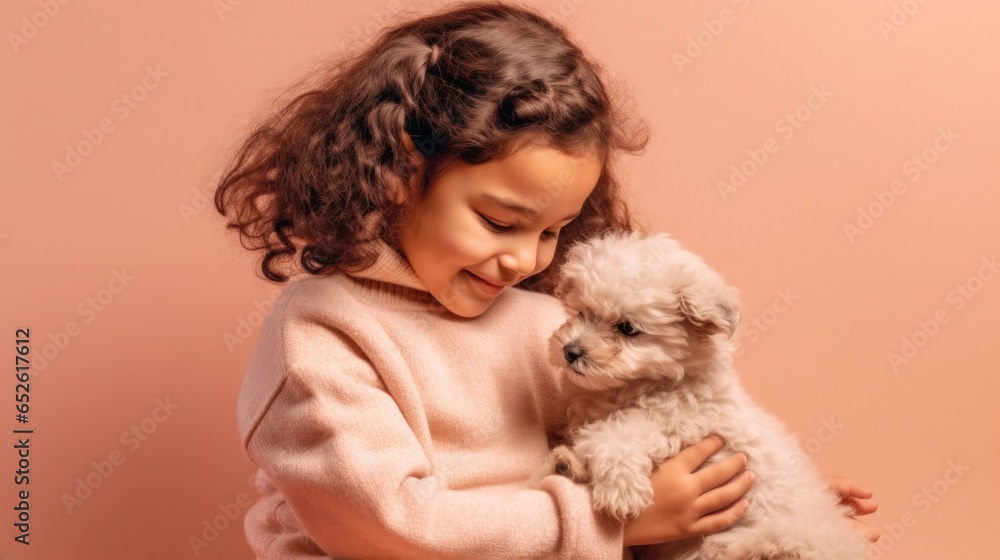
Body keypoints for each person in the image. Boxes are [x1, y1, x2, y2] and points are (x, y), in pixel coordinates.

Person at [215, 2, 878, 558]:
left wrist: (753, 503)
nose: (527, 261)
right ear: (398, 171)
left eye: (552, 231)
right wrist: (617, 523)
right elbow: (392, 528)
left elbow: (624, 440)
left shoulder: (536, 320)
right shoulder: (324, 335)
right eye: (500, 221)